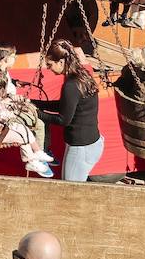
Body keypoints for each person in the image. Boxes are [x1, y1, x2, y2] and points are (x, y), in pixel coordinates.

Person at [41, 39, 103, 182]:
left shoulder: (71, 85)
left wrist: (38, 114)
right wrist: (37, 104)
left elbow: (64, 119)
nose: (48, 68)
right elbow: (67, 105)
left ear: (61, 62)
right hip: (90, 142)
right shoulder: (82, 75)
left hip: (81, 148)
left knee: (70, 194)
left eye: (50, 65)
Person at [0, 68, 52, 177]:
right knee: (23, 135)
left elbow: (0, 105)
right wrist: (8, 114)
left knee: (24, 129)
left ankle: (37, 152)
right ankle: (31, 160)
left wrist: (12, 106)